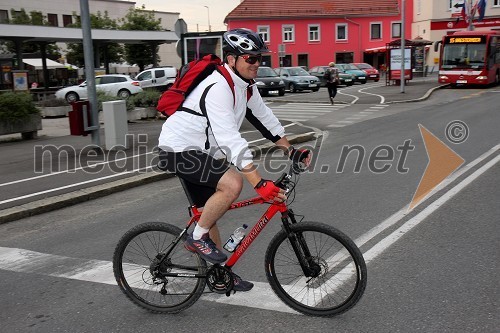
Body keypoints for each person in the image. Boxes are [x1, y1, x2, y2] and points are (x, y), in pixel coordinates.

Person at [157, 28, 311, 292]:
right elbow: (229, 138)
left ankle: (219, 275)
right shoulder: (218, 86)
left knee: (209, 213)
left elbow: (265, 119)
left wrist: (290, 149)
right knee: (232, 184)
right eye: (250, 58)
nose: (256, 63)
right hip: (178, 149)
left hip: (203, 153)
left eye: (259, 58)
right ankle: (197, 238)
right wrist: (258, 181)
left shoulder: (246, 87)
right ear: (231, 59)